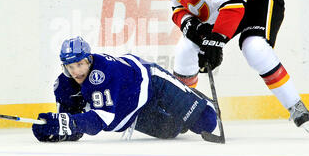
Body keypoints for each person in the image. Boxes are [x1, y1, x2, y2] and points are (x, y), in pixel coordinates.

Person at [152, 0, 309, 132]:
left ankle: (296, 106)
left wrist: (216, 41)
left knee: (254, 47)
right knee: (186, 48)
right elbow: (178, 9)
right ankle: (180, 109)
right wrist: (191, 27)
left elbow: (233, 7)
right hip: (228, 2)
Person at [32, 36, 218, 142]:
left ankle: (199, 100)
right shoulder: (63, 85)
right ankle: (183, 112)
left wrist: (68, 124)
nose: (76, 71)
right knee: (172, 131)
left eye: (80, 64)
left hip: (151, 83)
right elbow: (74, 126)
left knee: (206, 122)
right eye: (70, 66)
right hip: (131, 113)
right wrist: (54, 129)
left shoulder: (102, 73)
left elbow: (100, 120)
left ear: (89, 60)